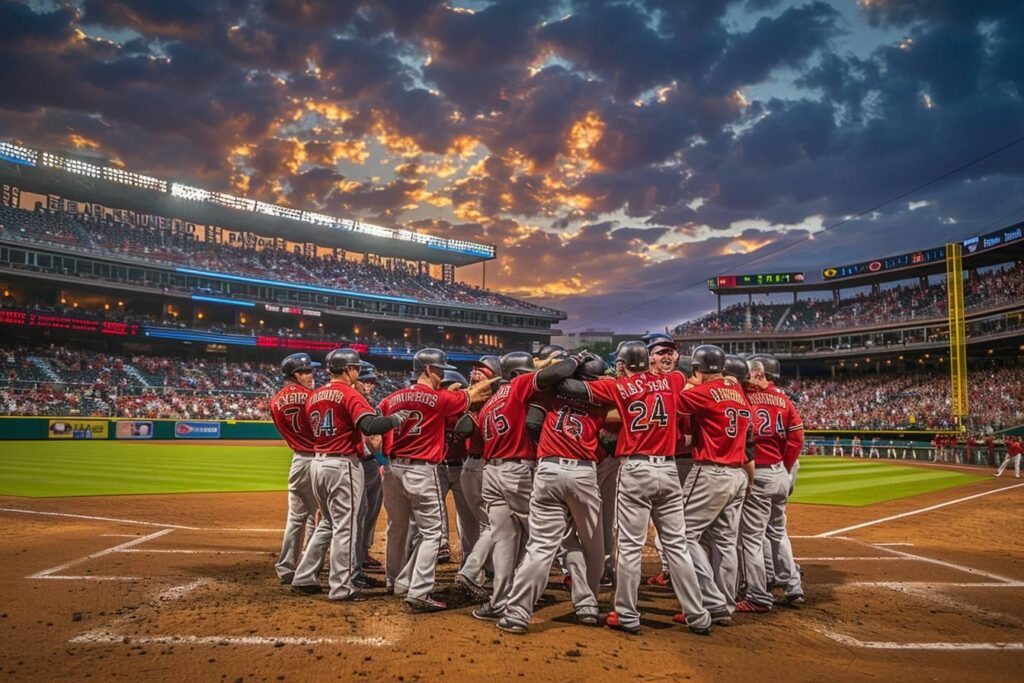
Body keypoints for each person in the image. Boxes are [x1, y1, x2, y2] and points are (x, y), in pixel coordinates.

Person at [554, 341, 713, 636]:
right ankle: (698, 614)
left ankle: (627, 614)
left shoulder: (618, 386)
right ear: (648, 361)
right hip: (668, 469)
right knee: (677, 546)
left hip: (636, 469)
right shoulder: (674, 380)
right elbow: (686, 377)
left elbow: (570, 389)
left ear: (623, 364)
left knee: (628, 546)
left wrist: (568, 366)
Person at [459, 352, 577, 621]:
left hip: (491, 473)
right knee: (543, 536)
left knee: (504, 540)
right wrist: (574, 362)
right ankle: (527, 598)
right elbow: (555, 374)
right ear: (516, 373)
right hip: (517, 471)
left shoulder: (490, 401)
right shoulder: (518, 385)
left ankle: (499, 601)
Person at [496, 353, 608, 634]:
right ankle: (588, 604)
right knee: (593, 545)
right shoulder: (601, 396)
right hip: (583, 472)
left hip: (548, 469)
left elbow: (533, 422)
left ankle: (517, 613)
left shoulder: (549, 392)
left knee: (541, 547)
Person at [378, 349, 492, 612]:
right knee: (432, 533)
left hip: (393, 469)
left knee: (397, 527)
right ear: (428, 369)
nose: (441, 375)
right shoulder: (437, 398)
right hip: (421, 468)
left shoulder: (392, 397)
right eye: (439, 370)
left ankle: (396, 580)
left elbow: (374, 430)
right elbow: (473, 395)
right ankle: (419, 592)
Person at [293, 347, 410, 601]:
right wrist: (395, 420)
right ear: (347, 369)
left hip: (317, 462)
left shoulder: (315, 395)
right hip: (342, 464)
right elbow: (369, 425)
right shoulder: (349, 393)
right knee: (346, 527)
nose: (358, 372)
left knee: (327, 523)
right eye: (356, 368)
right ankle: (341, 587)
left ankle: (304, 576)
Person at [677, 345, 753, 625]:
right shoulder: (738, 392)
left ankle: (712, 601)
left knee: (680, 536)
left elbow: (671, 403)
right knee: (725, 542)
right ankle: (726, 604)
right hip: (737, 474)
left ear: (698, 369)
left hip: (711, 471)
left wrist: (689, 384)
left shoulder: (704, 391)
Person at [736, 354, 805, 612]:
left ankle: (757, 594)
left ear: (759, 374)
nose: (746, 379)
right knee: (778, 532)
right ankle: (793, 586)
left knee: (751, 537)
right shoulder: (784, 400)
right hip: (779, 472)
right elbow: (797, 439)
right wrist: (784, 467)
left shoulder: (746, 398)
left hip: (760, 472)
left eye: (750, 374)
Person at [270, 352, 321, 586]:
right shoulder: (313, 397)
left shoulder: (275, 401)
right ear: (297, 374)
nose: (312, 375)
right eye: (308, 371)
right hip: (319, 458)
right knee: (319, 517)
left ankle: (286, 568)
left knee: (296, 517)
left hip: (299, 459)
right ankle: (308, 567)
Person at [353, 361, 385, 587]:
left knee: (371, 511)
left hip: (372, 463)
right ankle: (351, 560)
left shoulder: (369, 404)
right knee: (357, 513)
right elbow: (370, 439)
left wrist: (381, 462)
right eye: (366, 380)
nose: (370, 385)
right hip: (357, 463)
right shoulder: (352, 401)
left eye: (372, 382)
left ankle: (363, 553)